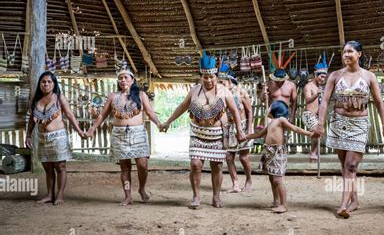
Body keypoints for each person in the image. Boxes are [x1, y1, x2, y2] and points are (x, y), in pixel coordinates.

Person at [315, 41, 384, 218]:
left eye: (350, 51)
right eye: (344, 52)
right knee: (346, 167)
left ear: (359, 54)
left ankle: (343, 205)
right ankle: (355, 200)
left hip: (359, 125)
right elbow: (325, 101)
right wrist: (320, 123)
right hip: (338, 123)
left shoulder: (369, 76)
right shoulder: (334, 76)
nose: (346, 55)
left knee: (351, 165)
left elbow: (380, 103)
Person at [160, 51, 245, 209]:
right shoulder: (194, 91)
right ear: (201, 76)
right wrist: (168, 122)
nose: (209, 80)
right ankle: (196, 196)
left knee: (217, 166)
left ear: (216, 76)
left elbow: (235, 111)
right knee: (195, 164)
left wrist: (239, 130)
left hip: (219, 134)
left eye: (211, 77)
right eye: (205, 77)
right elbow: (181, 107)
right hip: (198, 134)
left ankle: (216, 197)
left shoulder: (224, 91)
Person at [86, 62, 162, 206]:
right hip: (119, 135)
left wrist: (158, 123)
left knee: (142, 165)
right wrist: (92, 128)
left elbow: (150, 112)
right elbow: (102, 115)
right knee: (125, 167)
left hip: (138, 134)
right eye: (120, 78)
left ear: (132, 80)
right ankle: (127, 195)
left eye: (126, 78)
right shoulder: (113, 96)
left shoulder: (140, 95)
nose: (123, 81)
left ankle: (142, 188)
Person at [25, 71, 85, 205]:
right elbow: (31, 120)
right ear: (40, 84)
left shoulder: (59, 98)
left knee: (60, 166)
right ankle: (49, 195)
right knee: (47, 167)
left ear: (54, 84)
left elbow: (70, 115)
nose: (46, 84)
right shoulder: (35, 100)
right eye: (43, 82)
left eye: (49, 82)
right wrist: (28, 135)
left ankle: (59, 195)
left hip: (58, 137)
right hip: (42, 137)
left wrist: (80, 131)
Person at [246, 100, 315, 213]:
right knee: (272, 178)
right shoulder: (271, 123)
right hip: (268, 152)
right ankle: (276, 201)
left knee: (277, 179)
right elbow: (258, 134)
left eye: (270, 106)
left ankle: (284, 204)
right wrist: (245, 137)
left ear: (275, 109)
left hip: (277, 152)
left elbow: (295, 128)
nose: (267, 109)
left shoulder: (281, 120)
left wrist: (309, 134)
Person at [217, 64, 254, 192]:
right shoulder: (221, 93)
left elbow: (249, 111)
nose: (219, 84)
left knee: (243, 157)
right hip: (229, 127)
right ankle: (235, 184)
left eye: (221, 82)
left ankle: (248, 180)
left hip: (243, 125)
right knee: (228, 157)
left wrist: (249, 129)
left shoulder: (241, 92)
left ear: (229, 80)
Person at [303, 52, 328, 162]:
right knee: (317, 132)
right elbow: (307, 100)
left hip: (317, 116)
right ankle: (313, 153)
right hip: (308, 115)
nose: (323, 79)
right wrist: (316, 94)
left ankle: (314, 154)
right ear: (315, 75)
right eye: (321, 77)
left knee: (319, 133)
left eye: (324, 77)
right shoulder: (308, 86)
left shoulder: (320, 88)